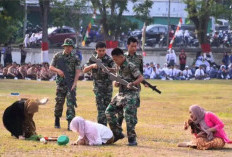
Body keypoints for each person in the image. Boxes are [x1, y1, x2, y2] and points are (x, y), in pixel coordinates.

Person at [105, 48, 144, 146]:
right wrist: (116, 83)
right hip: (121, 93)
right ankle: (117, 133)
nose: (114, 61)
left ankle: (132, 139)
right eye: (113, 60)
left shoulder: (131, 66)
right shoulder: (118, 66)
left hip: (132, 93)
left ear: (121, 57)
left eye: (116, 59)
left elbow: (141, 78)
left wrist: (132, 83)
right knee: (108, 111)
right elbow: (116, 79)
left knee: (128, 115)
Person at [49, 38, 81, 130]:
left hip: (71, 83)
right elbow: (51, 67)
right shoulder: (58, 56)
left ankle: (70, 124)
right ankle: (57, 120)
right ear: (64, 46)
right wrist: (57, 70)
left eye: (70, 47)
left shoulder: (75, 57)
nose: (68, 48)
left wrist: (75, 83)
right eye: (66, 46)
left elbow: (78, 71)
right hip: (60, 83)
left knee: (70, 103)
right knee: (59, 102)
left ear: (72, 47)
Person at [83, 42, 114, 126]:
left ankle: (106, 126)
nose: (101, 52)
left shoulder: (109, 59)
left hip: (108, 88)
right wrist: (92, 66)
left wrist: (108, 69)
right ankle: (101, 127)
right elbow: (84, 69)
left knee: (107, 108)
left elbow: (116, 69)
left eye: (103, 50)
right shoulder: (92, 59)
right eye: (100, 50)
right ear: (96, 50)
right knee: (100, 108)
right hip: (98, 87)